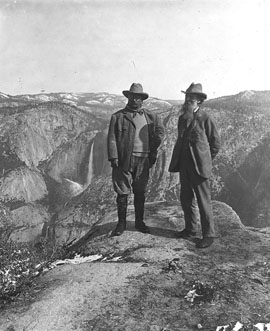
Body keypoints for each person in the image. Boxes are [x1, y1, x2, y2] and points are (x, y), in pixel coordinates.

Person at [107, 83, 165, 236]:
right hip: (124, 160)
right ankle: (121, 224)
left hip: (144, 160)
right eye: (132, 97)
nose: (134, 100)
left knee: (140, 192)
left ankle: (139, 222)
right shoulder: (118, 117)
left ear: (142, 100)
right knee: (122, 193)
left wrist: (155, 143)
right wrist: (113, 157)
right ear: (128, 98)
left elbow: (160, 131)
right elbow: (112, 138)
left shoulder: (151, 117)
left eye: (137, 98)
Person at [169, 83, 221, 248]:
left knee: (203, 200)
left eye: (192, 98)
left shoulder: (206, 118)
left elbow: (215, 144)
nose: (188, 100)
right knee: (186, 198)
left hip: (199, 167)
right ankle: (190, 229)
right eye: (187, 97)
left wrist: (205, 159)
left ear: (199, 101)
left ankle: (208, 235)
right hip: (184, 165)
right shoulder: (182, 118)